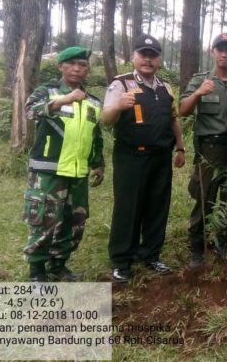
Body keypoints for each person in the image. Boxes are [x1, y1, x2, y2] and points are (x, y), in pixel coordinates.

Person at [103, 34, 186, 283]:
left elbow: (173, 120)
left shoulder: (165, 87)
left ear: (159, 59)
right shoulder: (121, 85)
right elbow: (106, 120)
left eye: (153, 55)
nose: (148, 60)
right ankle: (122, 261)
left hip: (161, 156)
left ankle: (151, 254)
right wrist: (118, 107)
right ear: (134, 57)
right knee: (129, 208)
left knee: (157, 206)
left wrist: (180, 148)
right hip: (131, 157)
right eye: (143, 54)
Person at [23, 46, 105, 282]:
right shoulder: (46, 91)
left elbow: (95, 135)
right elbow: (30, 111)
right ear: (61, 66)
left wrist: (98, 164)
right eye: (72, 64)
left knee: (74, 222)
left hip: (78, 171)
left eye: (83, 65)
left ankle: (59, 265)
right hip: (49, 170)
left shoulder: (93, 102)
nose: (78, 69)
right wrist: (64, 100)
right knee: (45, 221)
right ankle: (37, 271)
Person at [179, 33, 227, 267]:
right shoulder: (200, 80)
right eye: (219, 49)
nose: (224, 54)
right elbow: (182, 110)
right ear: (212, 52)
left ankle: (224, 241)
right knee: (205, 199)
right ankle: (197, 248)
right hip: (209, 150)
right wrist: (198, 93)